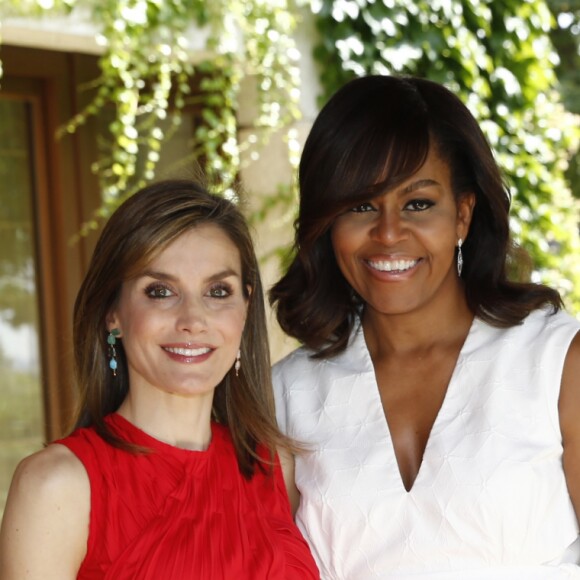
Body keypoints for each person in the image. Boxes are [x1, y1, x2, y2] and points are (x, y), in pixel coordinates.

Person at [269, 75, 580, 579]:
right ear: (328, 224)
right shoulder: (287, 393)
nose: (388, 233)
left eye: (418, 203)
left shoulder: (556, 362)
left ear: (462, 214)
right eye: (360, 205)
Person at [0, 179, 319, 579]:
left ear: (245, 308)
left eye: (218, 291)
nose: (192, 320)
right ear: (111, 312)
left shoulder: (274, 467)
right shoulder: (56, 486)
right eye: (160, 291)